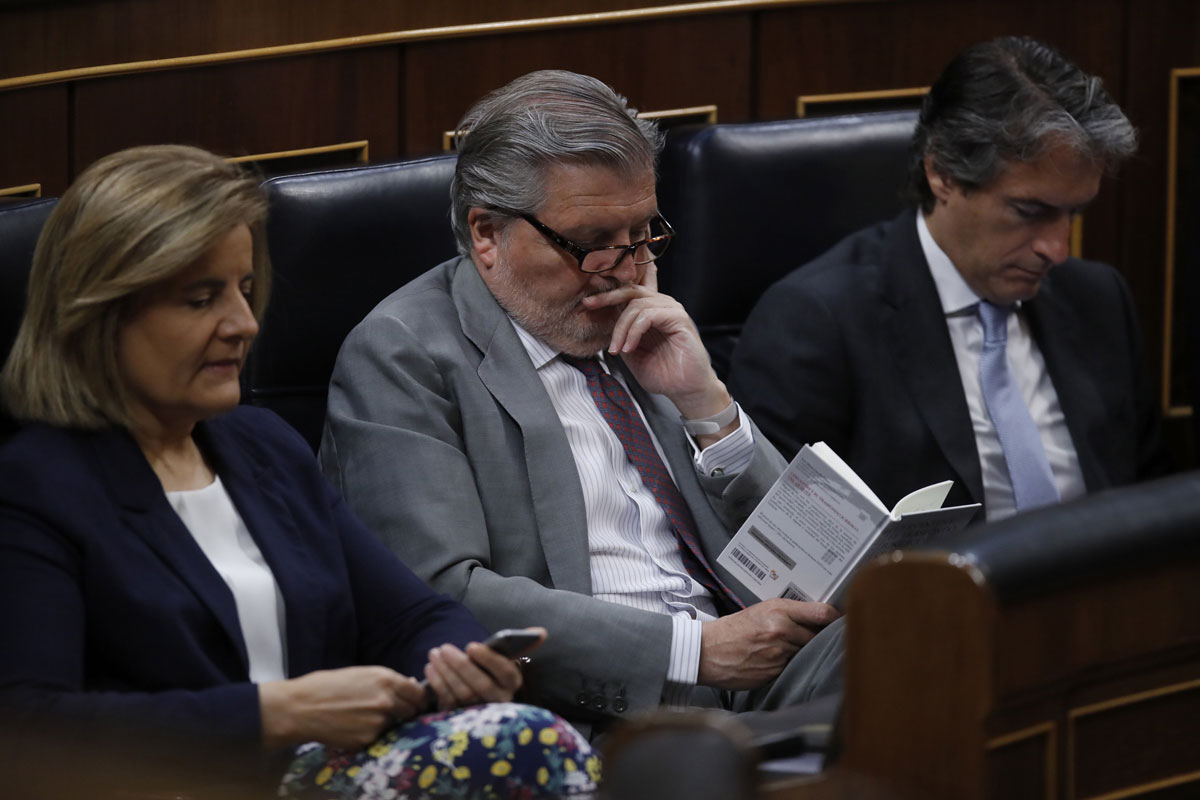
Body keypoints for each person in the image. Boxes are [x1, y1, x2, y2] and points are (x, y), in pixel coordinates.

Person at [0, 145, 599, 799]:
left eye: (246, 291)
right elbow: (27, 726)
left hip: (313, 774)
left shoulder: (263, 449)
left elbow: (410, 617)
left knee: (540, 738)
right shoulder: (34, 488)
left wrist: (461, 663)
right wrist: (276, 712)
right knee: (531, 749)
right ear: (99, 315)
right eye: (202, 300)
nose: (243, 324)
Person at [320, 70, 844, 738]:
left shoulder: (640, 326)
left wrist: (704, 402)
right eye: (592, 243)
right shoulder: (403, 354)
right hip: (589, 709)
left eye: (642, 234)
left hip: (762, 676)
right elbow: (439, 594)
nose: (625, 270)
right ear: (487, 233)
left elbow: (810, 568)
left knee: (929, 625)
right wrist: (694, 652)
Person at [728, 36, 1170, 523]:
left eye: (1074, 214)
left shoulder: (1099, 299)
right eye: (1029, 212)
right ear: (942, 175)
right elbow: (787, 547)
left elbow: (1154, 504)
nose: (1058, 250)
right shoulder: (815, 322)